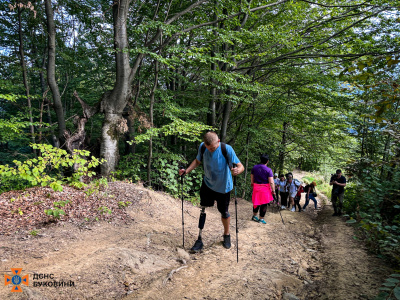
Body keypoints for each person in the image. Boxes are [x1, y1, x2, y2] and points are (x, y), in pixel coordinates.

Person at [178, 131, 244, 252]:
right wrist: (186, 171)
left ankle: (226, 234)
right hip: (208, 183)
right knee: (203, 208)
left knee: (224, 212)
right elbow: (197, 161)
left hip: (224, 187)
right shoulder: (203, 147)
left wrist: (237, 171)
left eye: (213, 148)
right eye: (209, 148)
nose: (211, 150)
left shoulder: (226, 149)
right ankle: (199, 239)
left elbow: (241, 166)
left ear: (218, 142)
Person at [250, 154, 275, 224]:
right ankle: (261, 219)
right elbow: (271, 182)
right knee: (264, 204)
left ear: (260, 160)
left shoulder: (254, 167)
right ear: (267, 161)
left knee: (256, 202)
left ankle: (254, 216)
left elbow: (252, 176)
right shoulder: (268, 170)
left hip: (256, 187)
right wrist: (273, 191)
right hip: (265, 189)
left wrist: (252, 184)